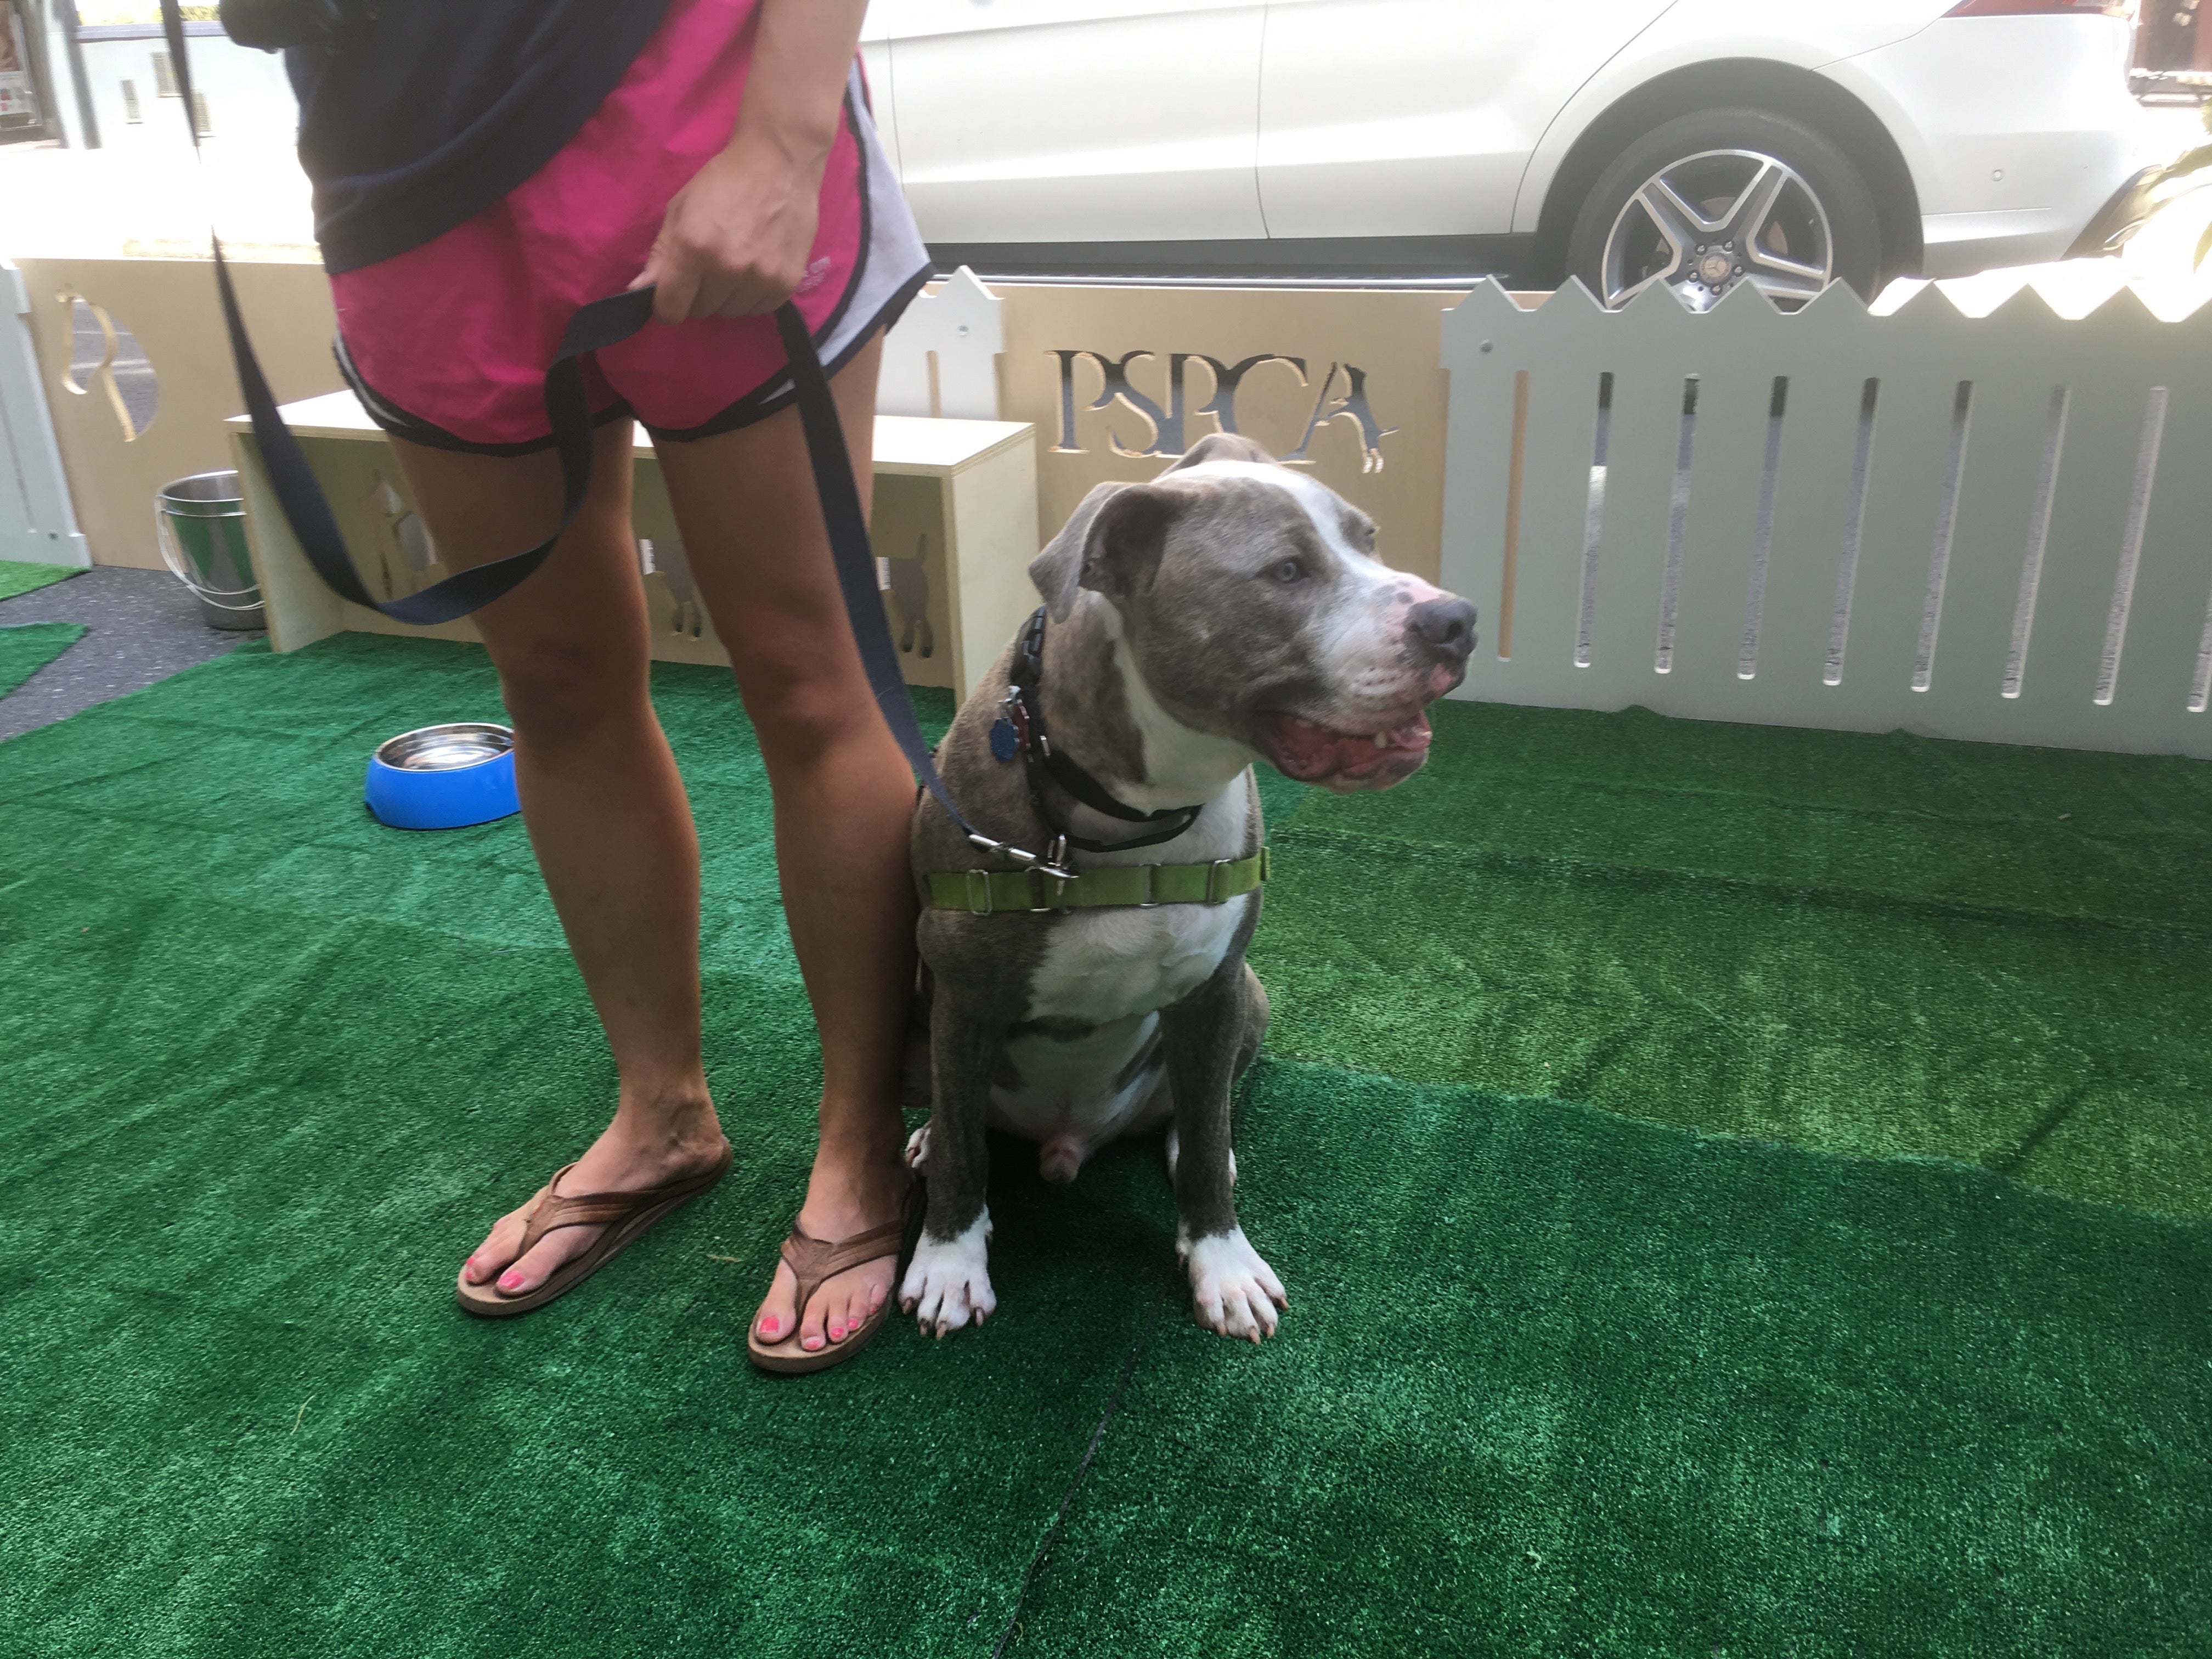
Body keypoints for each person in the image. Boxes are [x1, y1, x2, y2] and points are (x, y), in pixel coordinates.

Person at [285, 0, 928, 1371]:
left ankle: (863, 1143)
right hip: (396, 162)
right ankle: (663, 1117)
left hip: (686, 95)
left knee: (808, 679)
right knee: (555, 680)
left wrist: (783, 134)